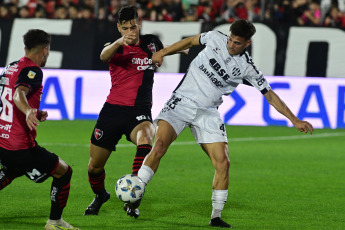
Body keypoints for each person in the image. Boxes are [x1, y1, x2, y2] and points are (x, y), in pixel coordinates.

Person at [137, 19, 314, 228]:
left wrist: (294, 120)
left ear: (247, 44)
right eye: (230, 40)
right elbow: (191, 41)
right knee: (159, 145)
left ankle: (216, 217)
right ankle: (136, 194)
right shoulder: (214, 38)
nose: (231, 45)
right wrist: (163, 52)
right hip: (182, 101)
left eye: (237, 43)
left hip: (208, 112)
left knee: (223, 162)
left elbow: (271, 95)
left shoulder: (247, 68)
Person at [84, 5, 187, 218]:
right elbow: (104, 56)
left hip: (139, 111)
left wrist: (182, 48)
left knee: (147, 138)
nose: (130, 31)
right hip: (112, 111)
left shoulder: (151, 42)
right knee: (94, 167)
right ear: (119, 28)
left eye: (133, 27)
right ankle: (100, 195)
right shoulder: (115, 47)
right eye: (125, 28)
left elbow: (163, 50)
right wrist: (119, 41)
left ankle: (133, 196)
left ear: (138, 24)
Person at [0, 29, 79, 230]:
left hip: (3, 140)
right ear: (45, 50)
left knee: (13, 170)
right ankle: (54, 222)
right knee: (64, 171)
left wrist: (34, 111)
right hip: (19, 145)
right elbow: (19, 94)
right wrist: (28, 111)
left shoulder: (11, 67)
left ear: (25, 47)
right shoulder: (33, 70)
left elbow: (8, 98)